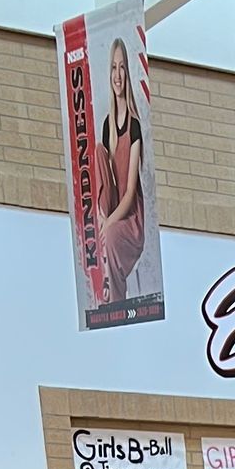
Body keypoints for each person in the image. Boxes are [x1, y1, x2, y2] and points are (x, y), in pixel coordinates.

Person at [96, 35, 146, 305]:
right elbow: (107, 181)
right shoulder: (107, 126)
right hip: (112, 203)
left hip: (130, 214)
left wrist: (110, 222)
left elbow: (129, 193)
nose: (118, 74)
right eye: (113, 67)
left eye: (122, 67)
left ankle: (115, 301)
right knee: (96, 151)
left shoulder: (134, 126)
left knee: (112, 236)